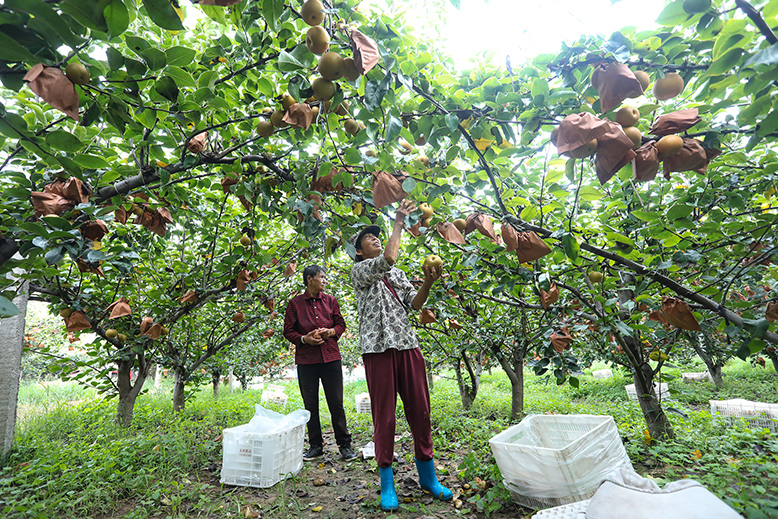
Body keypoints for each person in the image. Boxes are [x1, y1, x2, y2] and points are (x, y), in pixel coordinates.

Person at [349, 199, 452, 511]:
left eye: (377, 236)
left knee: (421, 411)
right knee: (385, 417)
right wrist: (398, 221)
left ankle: (428, 477)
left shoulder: (398, 274)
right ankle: (387, 484)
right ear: (358, 251)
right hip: (378, 350)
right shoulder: (360, 271)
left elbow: (415, 304)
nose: (376, 239)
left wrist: (430, 283)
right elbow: (389, 257)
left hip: (407, 345)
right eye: (369, 238)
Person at [283, 265, 357, 461]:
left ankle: (345, 445)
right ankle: (316, 446)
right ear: (309, 279)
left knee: (336, 403)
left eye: (325, 278)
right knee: (310, 404)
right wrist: (305, 339)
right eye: (321, 277)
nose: (325, 281)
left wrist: (331, 332)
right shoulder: (295, 304)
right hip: (307, 360)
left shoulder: (331, 301)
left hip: (331, 357)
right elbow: (288, 331)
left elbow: (341, 324)